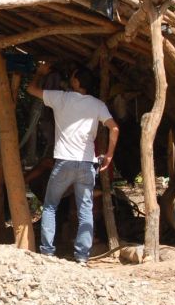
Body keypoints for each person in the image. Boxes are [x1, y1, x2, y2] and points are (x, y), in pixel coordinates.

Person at [26, 62, 119, 264]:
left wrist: (39, 73)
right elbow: (114, 128)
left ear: (76, 81)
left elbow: (31, 89)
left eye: (73, 77)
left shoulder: (61, 97)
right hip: (87, 165)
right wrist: (109, 155)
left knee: (50, 206)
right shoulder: (97, 104)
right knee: (85, 210)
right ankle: (82, 257)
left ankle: (48, 253)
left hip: (64, 163)